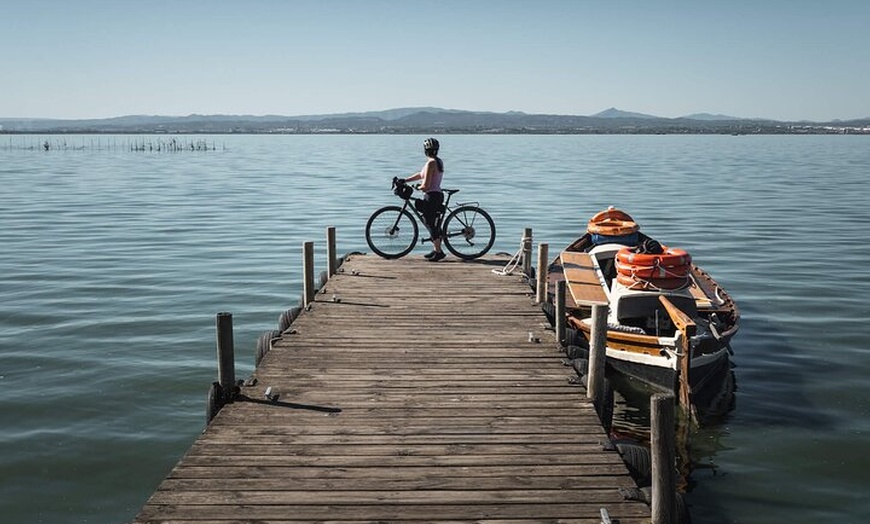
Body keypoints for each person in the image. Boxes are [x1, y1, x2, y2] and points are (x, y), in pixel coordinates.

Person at [403, 137, 446, 261]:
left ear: (425, 150)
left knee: (429, 222)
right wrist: (405, 180)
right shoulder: (437, 161)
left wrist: (418, 187)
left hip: (432, 195)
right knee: (433, 222)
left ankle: (439, 252)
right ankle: (436, 249)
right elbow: (420, 174)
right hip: (437, 195)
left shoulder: (430, 163)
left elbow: (426, 185)